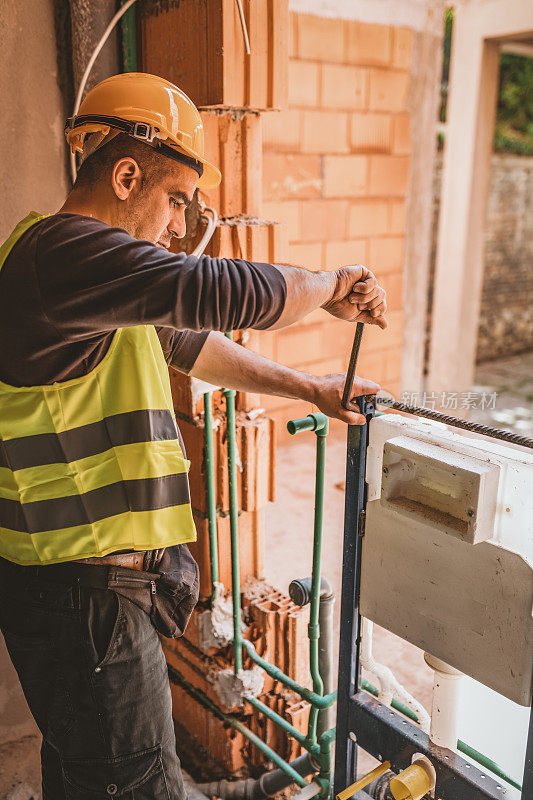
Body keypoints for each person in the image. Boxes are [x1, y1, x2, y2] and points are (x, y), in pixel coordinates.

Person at [0, 73, 386, 798]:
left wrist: (310, 389)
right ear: (124, 175)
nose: (178, 224)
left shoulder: (75, 276)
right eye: (175, 200)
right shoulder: (65, 254)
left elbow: (189, 341)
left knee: (90, 774)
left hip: (71, 590)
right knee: (132, 784)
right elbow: (221, 290)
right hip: (83, 596)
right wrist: (331, 283)